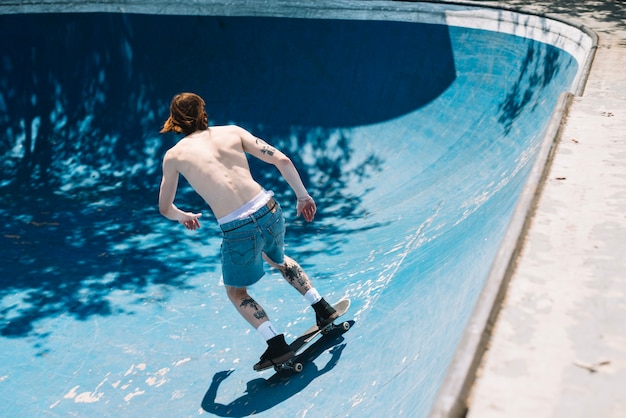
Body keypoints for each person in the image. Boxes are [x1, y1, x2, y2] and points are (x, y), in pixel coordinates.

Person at [158, 92, 337, 370]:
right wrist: (302, 196)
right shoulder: (232, 131)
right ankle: (322, 308)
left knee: (236, 292)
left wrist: (184, 216)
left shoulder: (174, 156)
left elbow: (164, 208)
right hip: (269, 210)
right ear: (204, 112)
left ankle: (276, 344)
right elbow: (283, 160)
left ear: (176, 122)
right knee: (279, 259)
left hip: (237, 228)